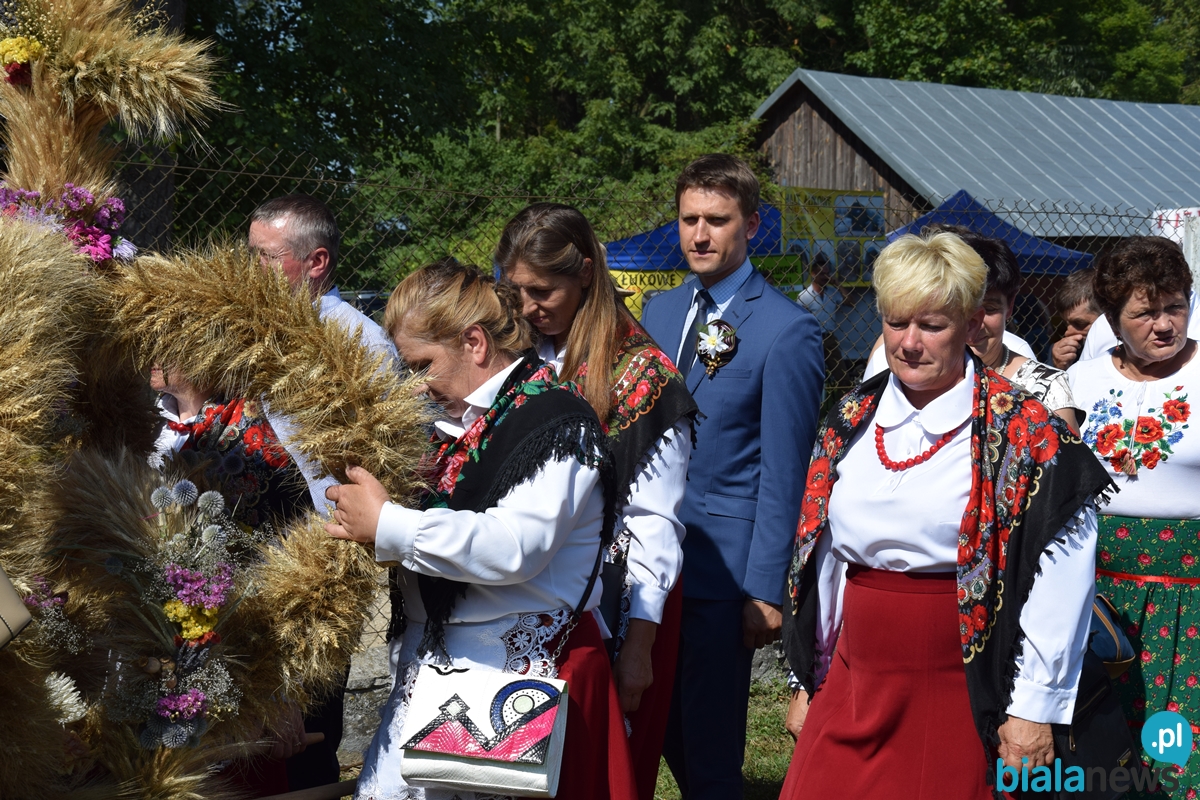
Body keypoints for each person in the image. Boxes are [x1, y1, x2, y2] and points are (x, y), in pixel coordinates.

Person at [780, 231, 1111, 798]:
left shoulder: (1023, 430)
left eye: (931, 325)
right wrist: (808, 674)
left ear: (972, 323)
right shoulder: (851, 417)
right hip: (852, 675)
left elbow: (1062, 573)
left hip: (960, 680)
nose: (909, 343)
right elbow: (825, 556)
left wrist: (1033, 707)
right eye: (896, 323)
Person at [326, 259, 637, 800]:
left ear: (474, 342)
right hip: (432, 671)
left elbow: (514, 548)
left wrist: (388, 524)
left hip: (525, 672)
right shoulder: (443, 426)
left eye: (422, 365)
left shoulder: (559, 422)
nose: (415, 387)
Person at [496, 203, 698, 799]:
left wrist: (638, 647)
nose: (527, 307)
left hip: (621, 605)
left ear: (585, 272)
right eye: (516, 291)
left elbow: (654, 523)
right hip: (533, 598)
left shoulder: (645, 379)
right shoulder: (525, 356)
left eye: (542, 291)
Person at [640, 154, 823, 798]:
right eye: (688, 219)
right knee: (655, 727)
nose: (699, 235)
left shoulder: (787, 329)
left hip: (722, 575)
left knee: (709, 747)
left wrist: (765, 589)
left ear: (751, 225)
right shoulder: (659, 313)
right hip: (647, 559)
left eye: (716, 221)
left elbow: (785, 470)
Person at [248, 193, 398, 790]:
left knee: (304, 730)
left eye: (265, 257)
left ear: (315, 262)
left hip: (315, 556)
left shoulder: (358, 342)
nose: (249, 269)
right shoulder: (247, 325)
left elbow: (374, 462)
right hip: (245, 542)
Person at [1067, 236, 1200, 795]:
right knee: (1105, 756)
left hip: (1188, 599)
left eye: (1176, 306)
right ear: (1113, 317)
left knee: (1177, 755)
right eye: (1146, 312)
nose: (1165, 324)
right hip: (1097, 599)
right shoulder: (1080, 383)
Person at [1050, 267, 1101, 369]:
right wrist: (1059, 368)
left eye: (1080, 324)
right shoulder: (1064, 354)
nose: (1068, 332)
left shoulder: (1131, 351)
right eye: (1066, 324)